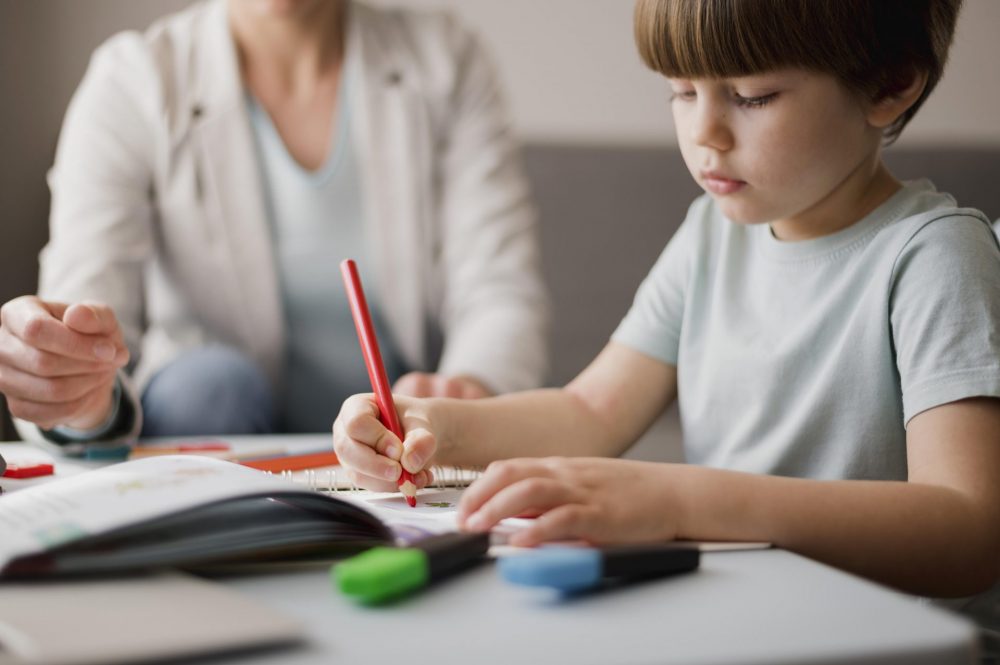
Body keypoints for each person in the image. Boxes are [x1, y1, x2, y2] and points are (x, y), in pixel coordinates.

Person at [334, 0, 1000, 633]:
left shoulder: (936, 256)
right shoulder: (711, 234)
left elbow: (970, 530)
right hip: (751, 619)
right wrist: (432, 427)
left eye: (751, 96)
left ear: (891, 82)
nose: (703, 132)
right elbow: (590, 412)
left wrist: (681, 501)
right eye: (682, 91)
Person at [0, 0, 548, 447]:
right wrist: (72, 384)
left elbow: (498, 292)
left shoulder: (448, 61)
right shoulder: (132, 81)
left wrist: (466, 391)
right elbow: (80, 312)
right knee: (211, 389)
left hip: (400, 442)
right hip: (206, 428)